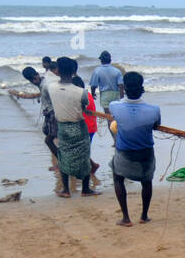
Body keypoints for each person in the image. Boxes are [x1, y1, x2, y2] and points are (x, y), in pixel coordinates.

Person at [103, 71, 162, 227]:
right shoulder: (154, 110)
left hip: (125, 152)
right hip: (145, 152)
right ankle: (144, 215)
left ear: (125, 89)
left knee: (117, 178)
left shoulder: (114, 107)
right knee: (147, 181)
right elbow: (155, 126)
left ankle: (126, 218)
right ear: (142, 88)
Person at [47, 57, 100, 198]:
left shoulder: (51, 87)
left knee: (62, 155)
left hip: (62, 126)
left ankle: (65, 190)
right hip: (78, 126)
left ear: (57, 70)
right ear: (73, 71)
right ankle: (85, 189)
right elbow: (83, 105)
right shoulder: (80, 92)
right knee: (84, 155)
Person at [8, 66, 59, 170]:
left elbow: (56, 96)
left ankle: (62, 162)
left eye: (35, 77)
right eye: (31, 80)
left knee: (48, 140)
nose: (34, 81)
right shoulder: (43, 83)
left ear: (37, 74)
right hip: (50, 113)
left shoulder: (46, 85)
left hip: (54, 114)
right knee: (49, 135)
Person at [72, 74, 101, 187]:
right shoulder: (85, 94)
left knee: (82, 151)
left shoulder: (84, 97)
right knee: (81, 150)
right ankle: (92, 165)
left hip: (87, 128)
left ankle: (89, 169)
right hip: (87, 126)